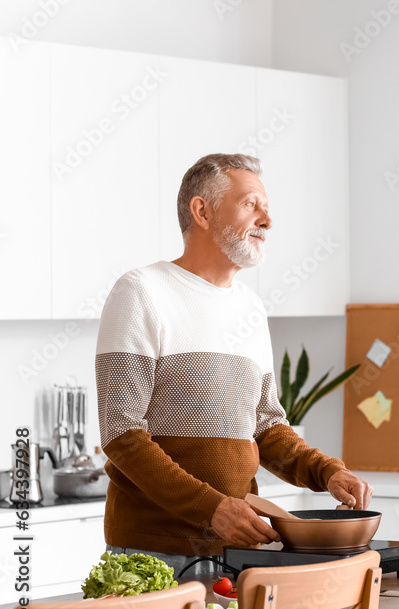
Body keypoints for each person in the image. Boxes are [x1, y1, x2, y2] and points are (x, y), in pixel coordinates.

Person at [95, 153, 372, 574]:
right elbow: (122, 435)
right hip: (152, 553)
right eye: (251, 204)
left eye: (266, 208)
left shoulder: (250, 309)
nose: (267, 220)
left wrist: (326, 472)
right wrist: (212, 509)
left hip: (239, 552)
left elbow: (266, 427)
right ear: (202, 211)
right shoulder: (141, 291)